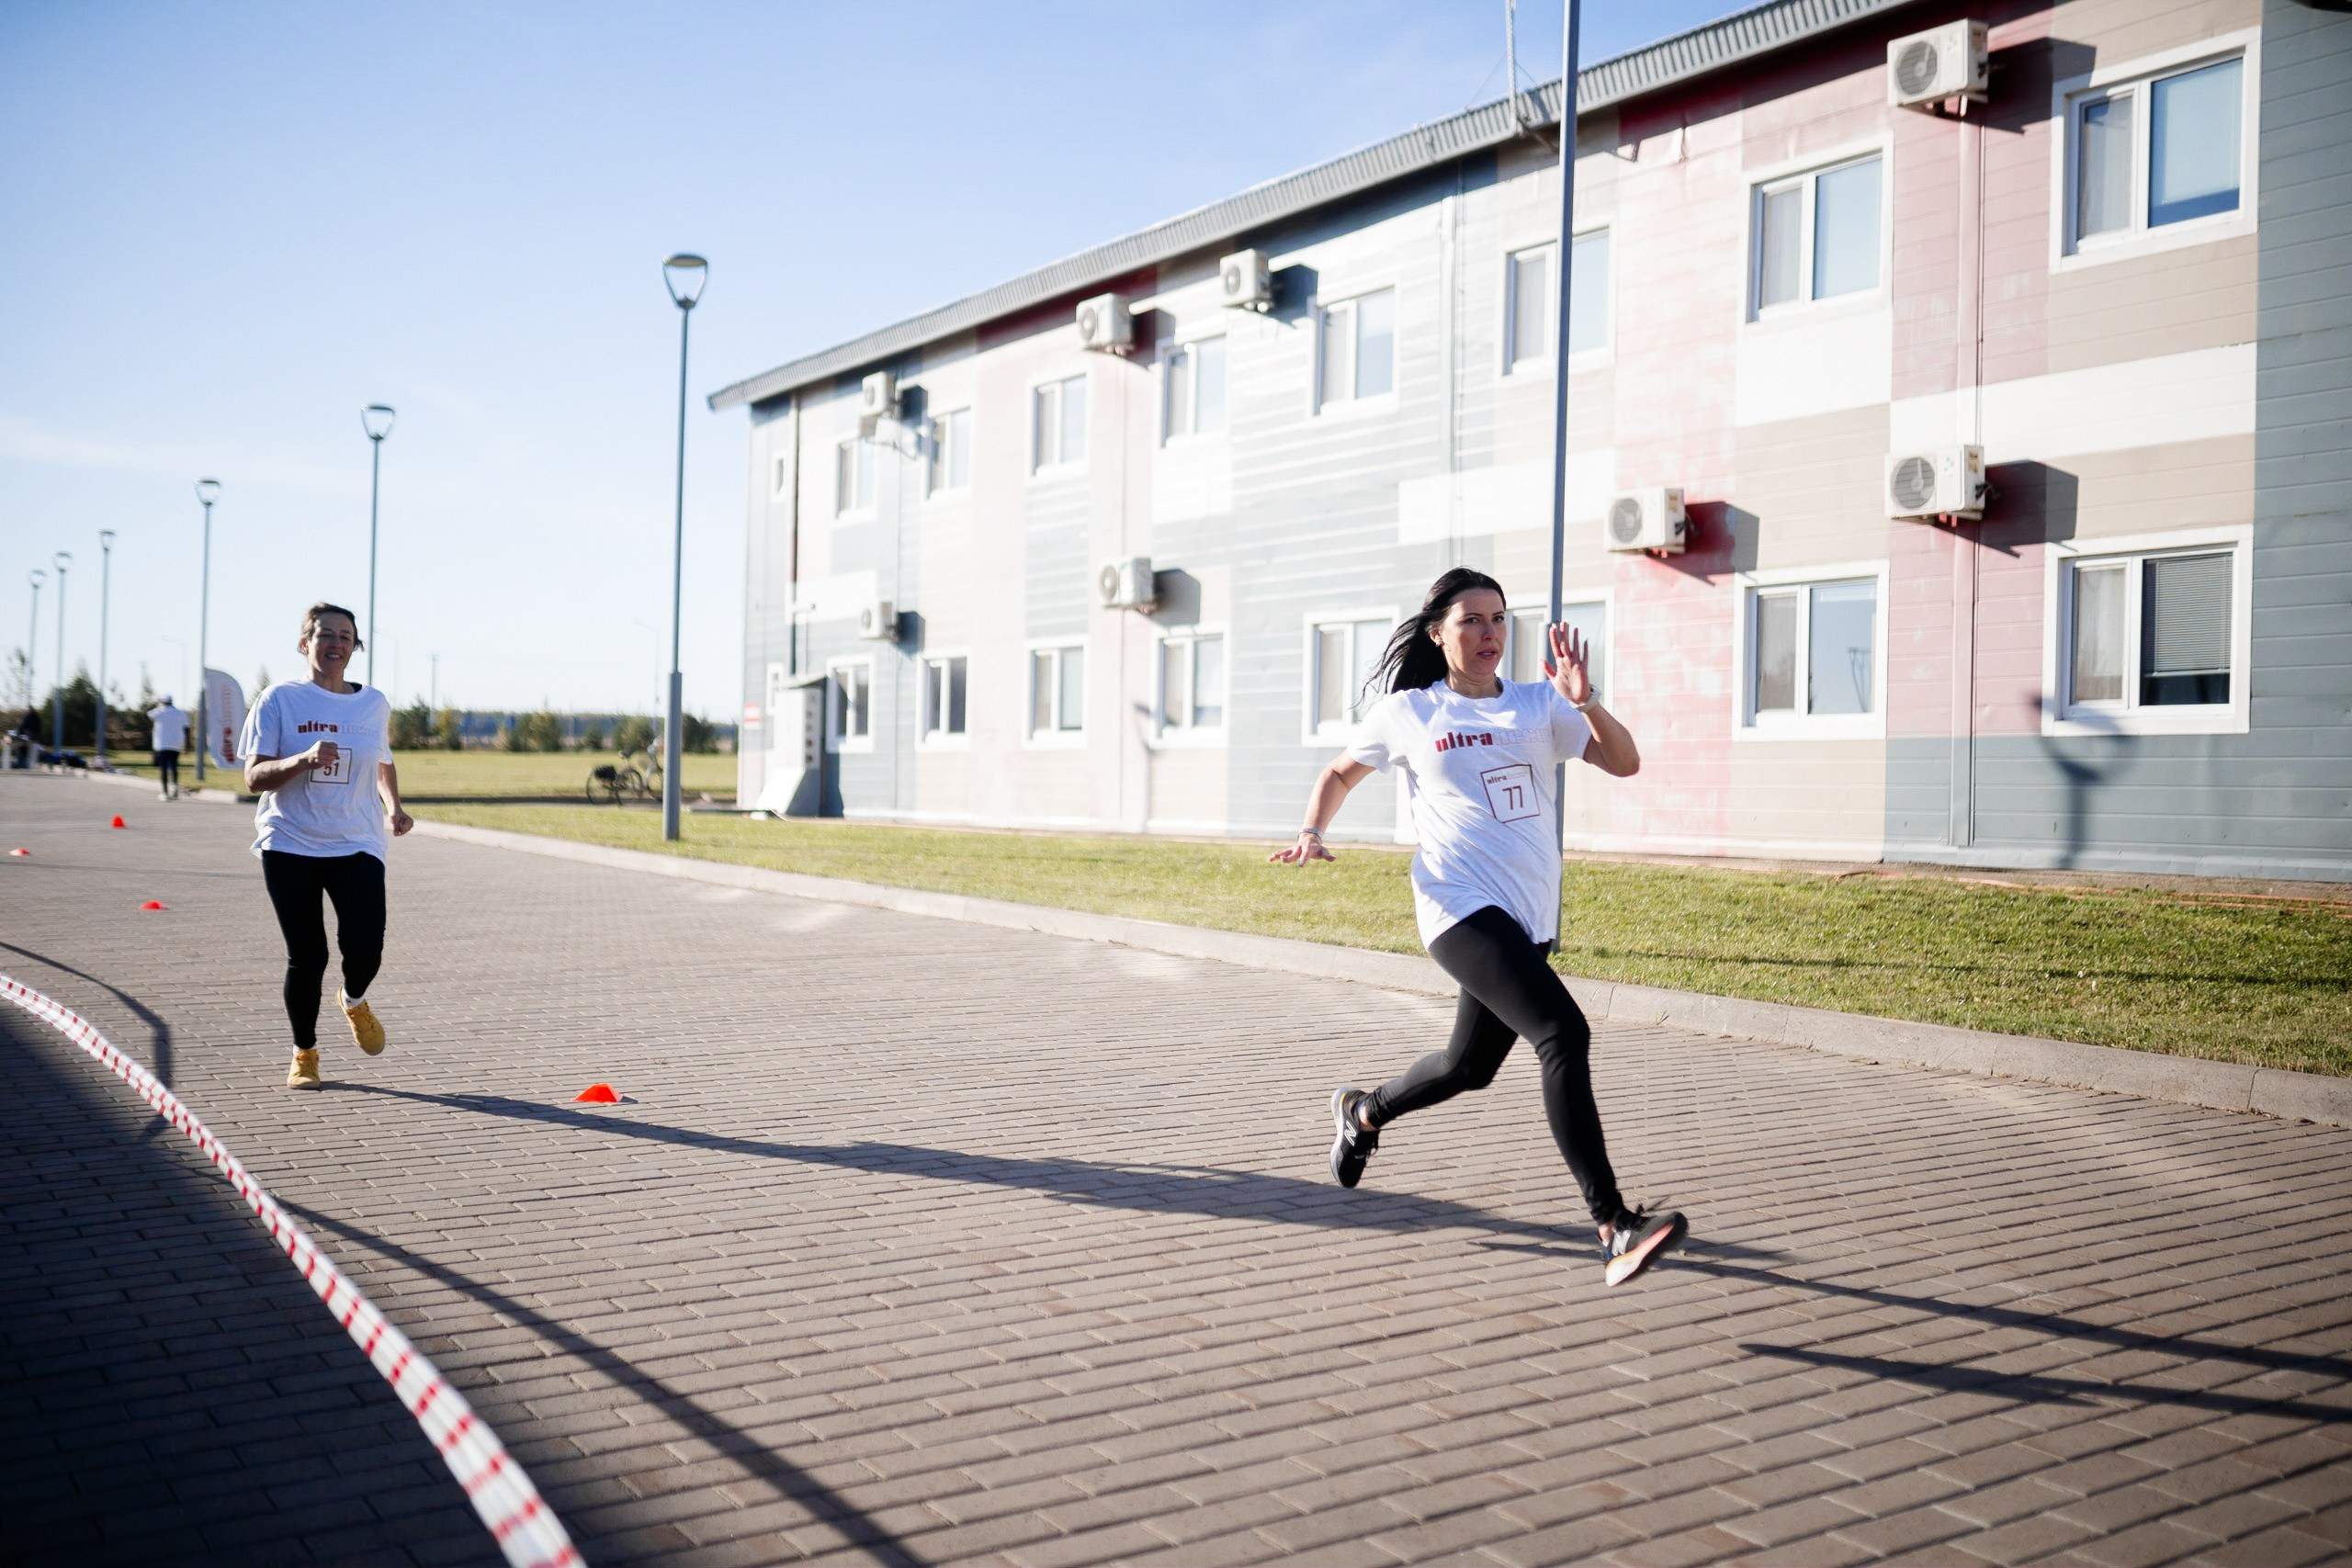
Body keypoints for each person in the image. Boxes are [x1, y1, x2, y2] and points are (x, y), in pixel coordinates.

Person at [1270, 568, 1688, 1288]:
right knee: (1562, 1031)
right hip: (1457, 909)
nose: (1489, 632)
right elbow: (1340, 772)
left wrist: (1586, 703)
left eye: (1498, 619)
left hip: (1527, 917)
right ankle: (1614, 1225)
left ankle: (1363, 1113)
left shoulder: (1538, 704)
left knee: (1470, 1067)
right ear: (1439, 632)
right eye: (1471, 620)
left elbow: (1625, 762)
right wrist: (1312, 828)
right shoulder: (1412, 711)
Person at [240, 603, 413, 1089]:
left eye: (346, 636)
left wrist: (393, 806)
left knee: (367, 945)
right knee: (307, 955)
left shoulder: (373, 703)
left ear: (354, 647)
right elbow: (254, 776)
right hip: (290, 839)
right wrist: (303, 758)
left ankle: (354, 999)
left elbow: (382, 760)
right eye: (325, 635)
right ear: (305, 643)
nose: (336, 644)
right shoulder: (279, 700)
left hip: (356, 839)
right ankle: (305, 1051)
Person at [146, 694, 189, 798]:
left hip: (162, 745)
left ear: (163, 702)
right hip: (176, 744)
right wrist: (186, 745)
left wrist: (154, 703)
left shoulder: (159, 712)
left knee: (164, 768)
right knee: (174, 766)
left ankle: (165, 792)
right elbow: (187, 729)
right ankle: (174, 786)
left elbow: (146, 714)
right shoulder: (181, 714)